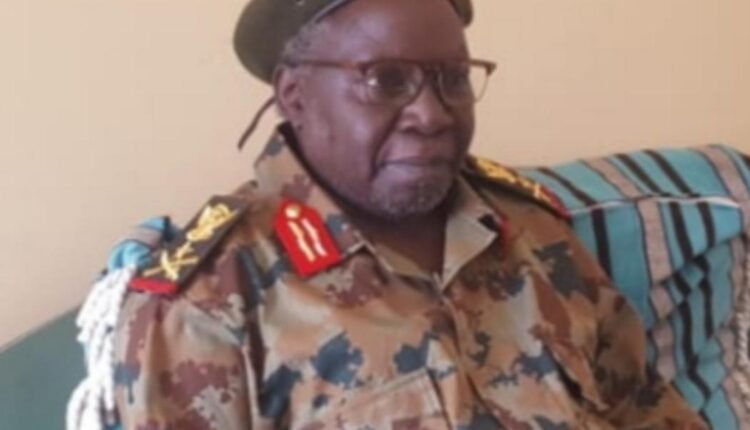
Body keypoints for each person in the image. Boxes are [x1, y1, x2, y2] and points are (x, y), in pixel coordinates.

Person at [68, 0, 708, 428]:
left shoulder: (533, 232)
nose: (431, 114)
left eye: (452, 77)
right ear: (295, 96)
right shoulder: (206, 302)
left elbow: (646, 411)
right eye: (387, 80)